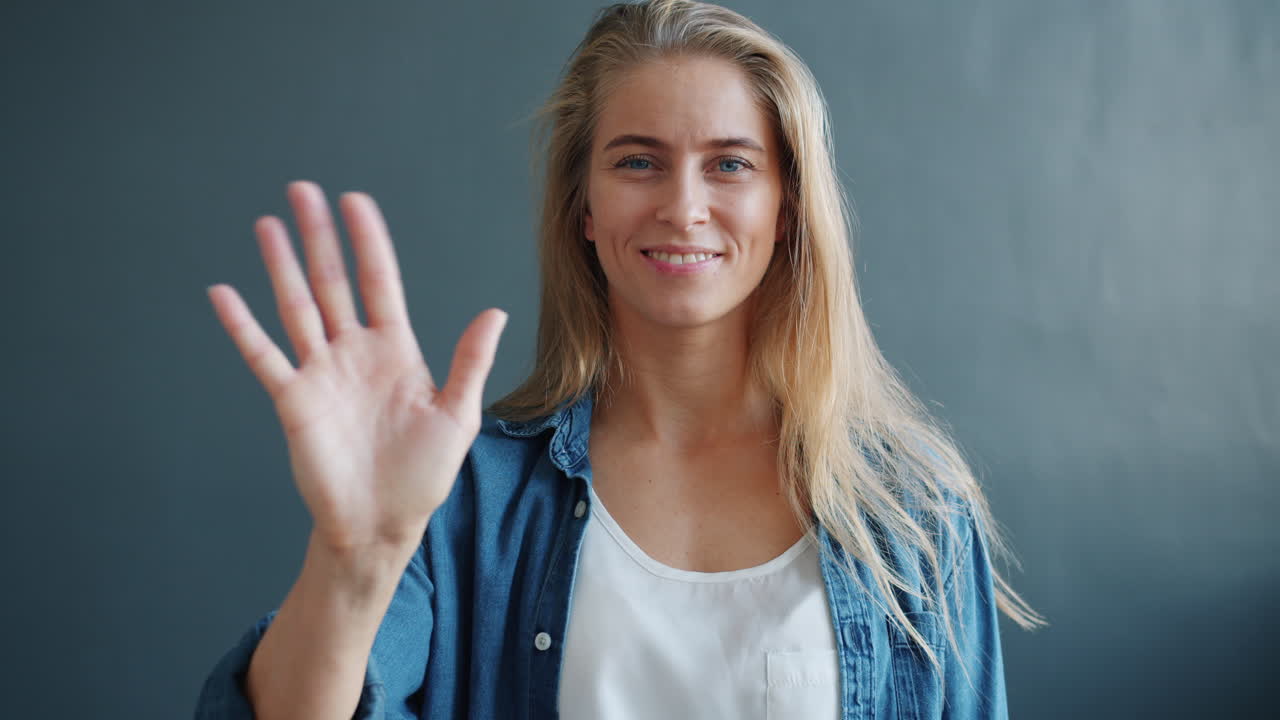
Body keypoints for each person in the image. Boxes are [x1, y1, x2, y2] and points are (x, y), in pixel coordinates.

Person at [196, 1, 1042, 718]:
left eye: (730, 165)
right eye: (637, 161)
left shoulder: (910, 512)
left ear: (786, 208)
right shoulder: (465, 498)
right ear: (585, 209)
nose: (683, 207)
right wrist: (353, 556)